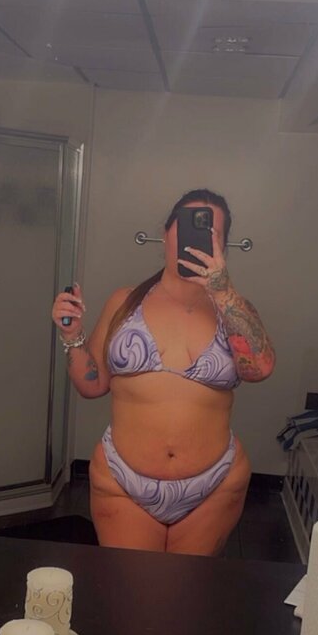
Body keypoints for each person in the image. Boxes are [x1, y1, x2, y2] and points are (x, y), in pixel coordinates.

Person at [51, 189, 275, 556]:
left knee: (187, 587)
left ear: (223, 246)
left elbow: (260, 368)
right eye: (186, 226)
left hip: (215, 485)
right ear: (166, 232)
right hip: (123, 482)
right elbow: (92, 386)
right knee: (132, 587)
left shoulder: (235, 310)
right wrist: (72, 335)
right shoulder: (124, 302)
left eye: (212, 232)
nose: (196, 238)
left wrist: (222, 291)